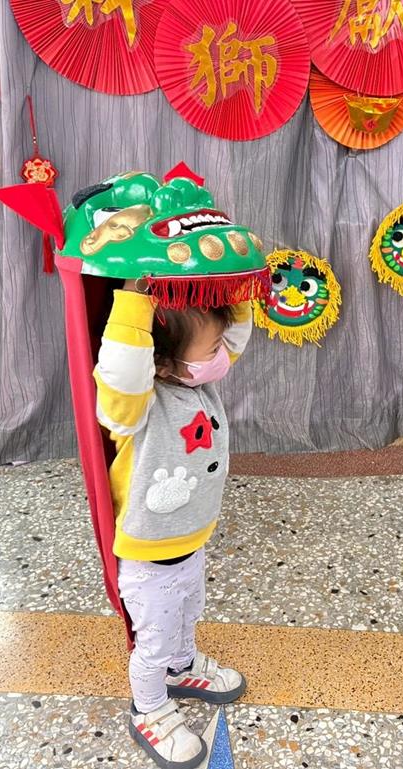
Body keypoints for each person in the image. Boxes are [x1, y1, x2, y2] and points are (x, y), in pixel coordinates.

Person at [94, 279, 253, 769]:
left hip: (190, 541)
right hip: (150, 556)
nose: (223, 355)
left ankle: (181, 668)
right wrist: (135, 297)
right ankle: (149, 708)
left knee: (186, 613)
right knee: (154, 642)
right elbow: (122, 370)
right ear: (162, 362)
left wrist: (230, 279)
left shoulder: (196, 380)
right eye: (211, 348)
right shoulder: (139, 404)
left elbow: (236, 331)